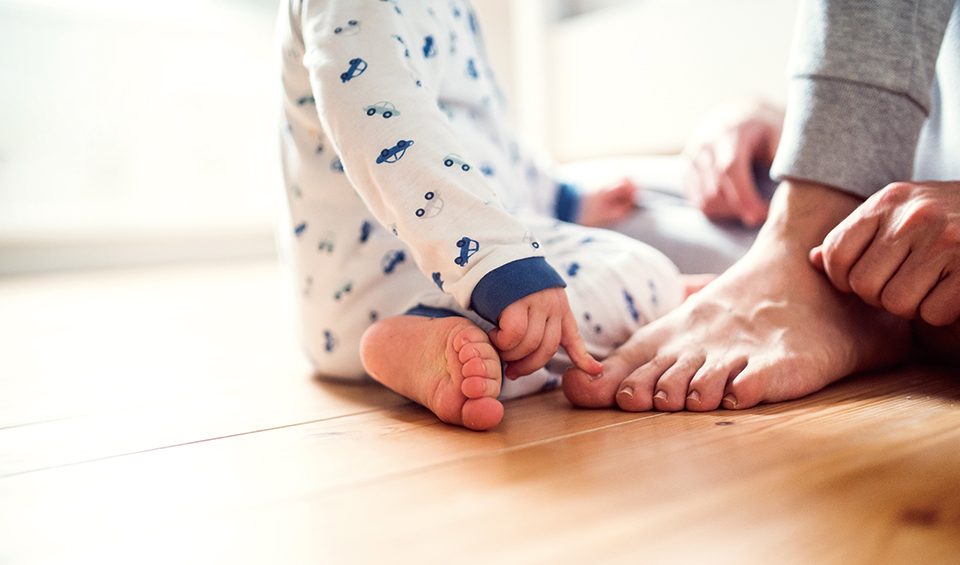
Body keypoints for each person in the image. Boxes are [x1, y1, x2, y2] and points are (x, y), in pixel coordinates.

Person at [276, 0, 689, 430]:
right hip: (397, 275)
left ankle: (435, 347)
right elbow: (381, 115)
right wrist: (498, 261)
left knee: (503, 349)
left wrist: (564, 199)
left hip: (352, 313)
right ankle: (669, 301)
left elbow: (485, 136)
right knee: (641, 273)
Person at [562, 0, 960, 413]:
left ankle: (805, 264)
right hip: (889, 198)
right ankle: (804, 239)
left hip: (895, 245)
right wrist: (801, 132)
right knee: (582, 202)